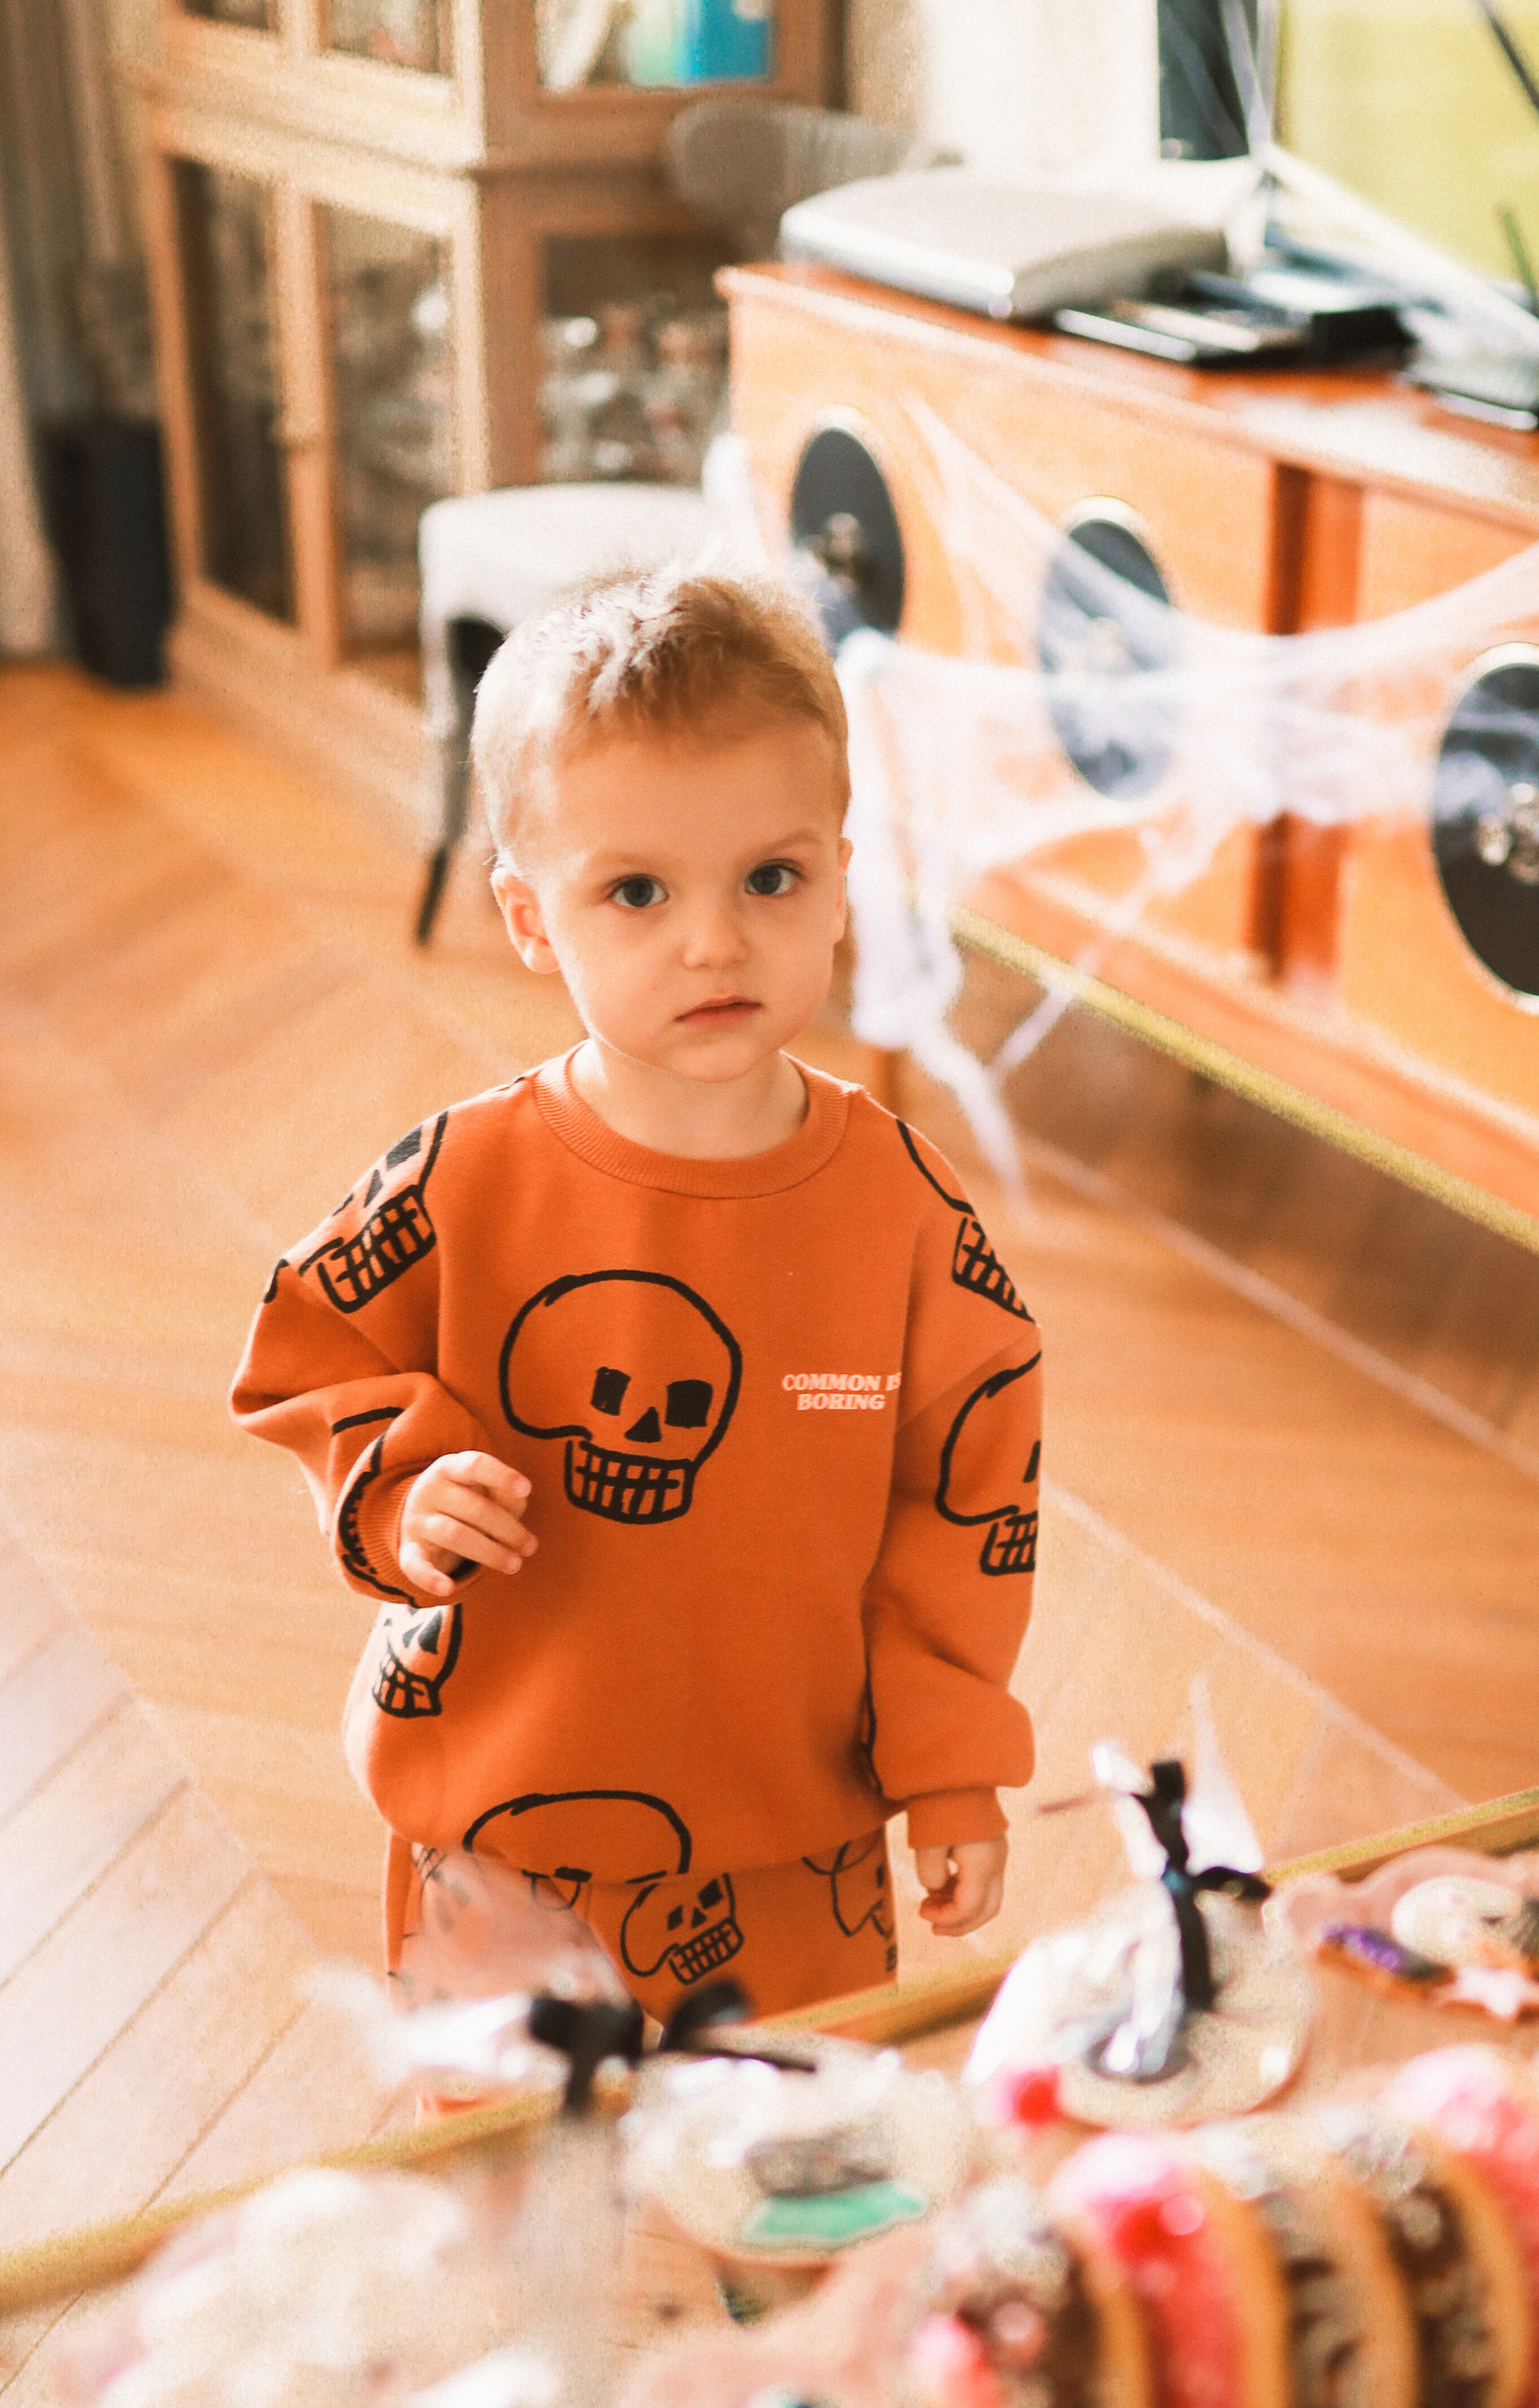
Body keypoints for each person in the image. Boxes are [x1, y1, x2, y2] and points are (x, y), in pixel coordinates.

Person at [232, 563, 1040, 2020]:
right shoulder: (455, 1181)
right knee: (516, 2150)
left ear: (840, 880)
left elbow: (967, 1506)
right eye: (637, 892)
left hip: (797, 1849)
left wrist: (951, 1765)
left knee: (794, 2140)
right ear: (531, 919)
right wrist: (402, 1491)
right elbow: (307, 1347)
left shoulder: (908, 1217)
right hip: (502, 1830)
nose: (713, 941)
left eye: (770, 879)